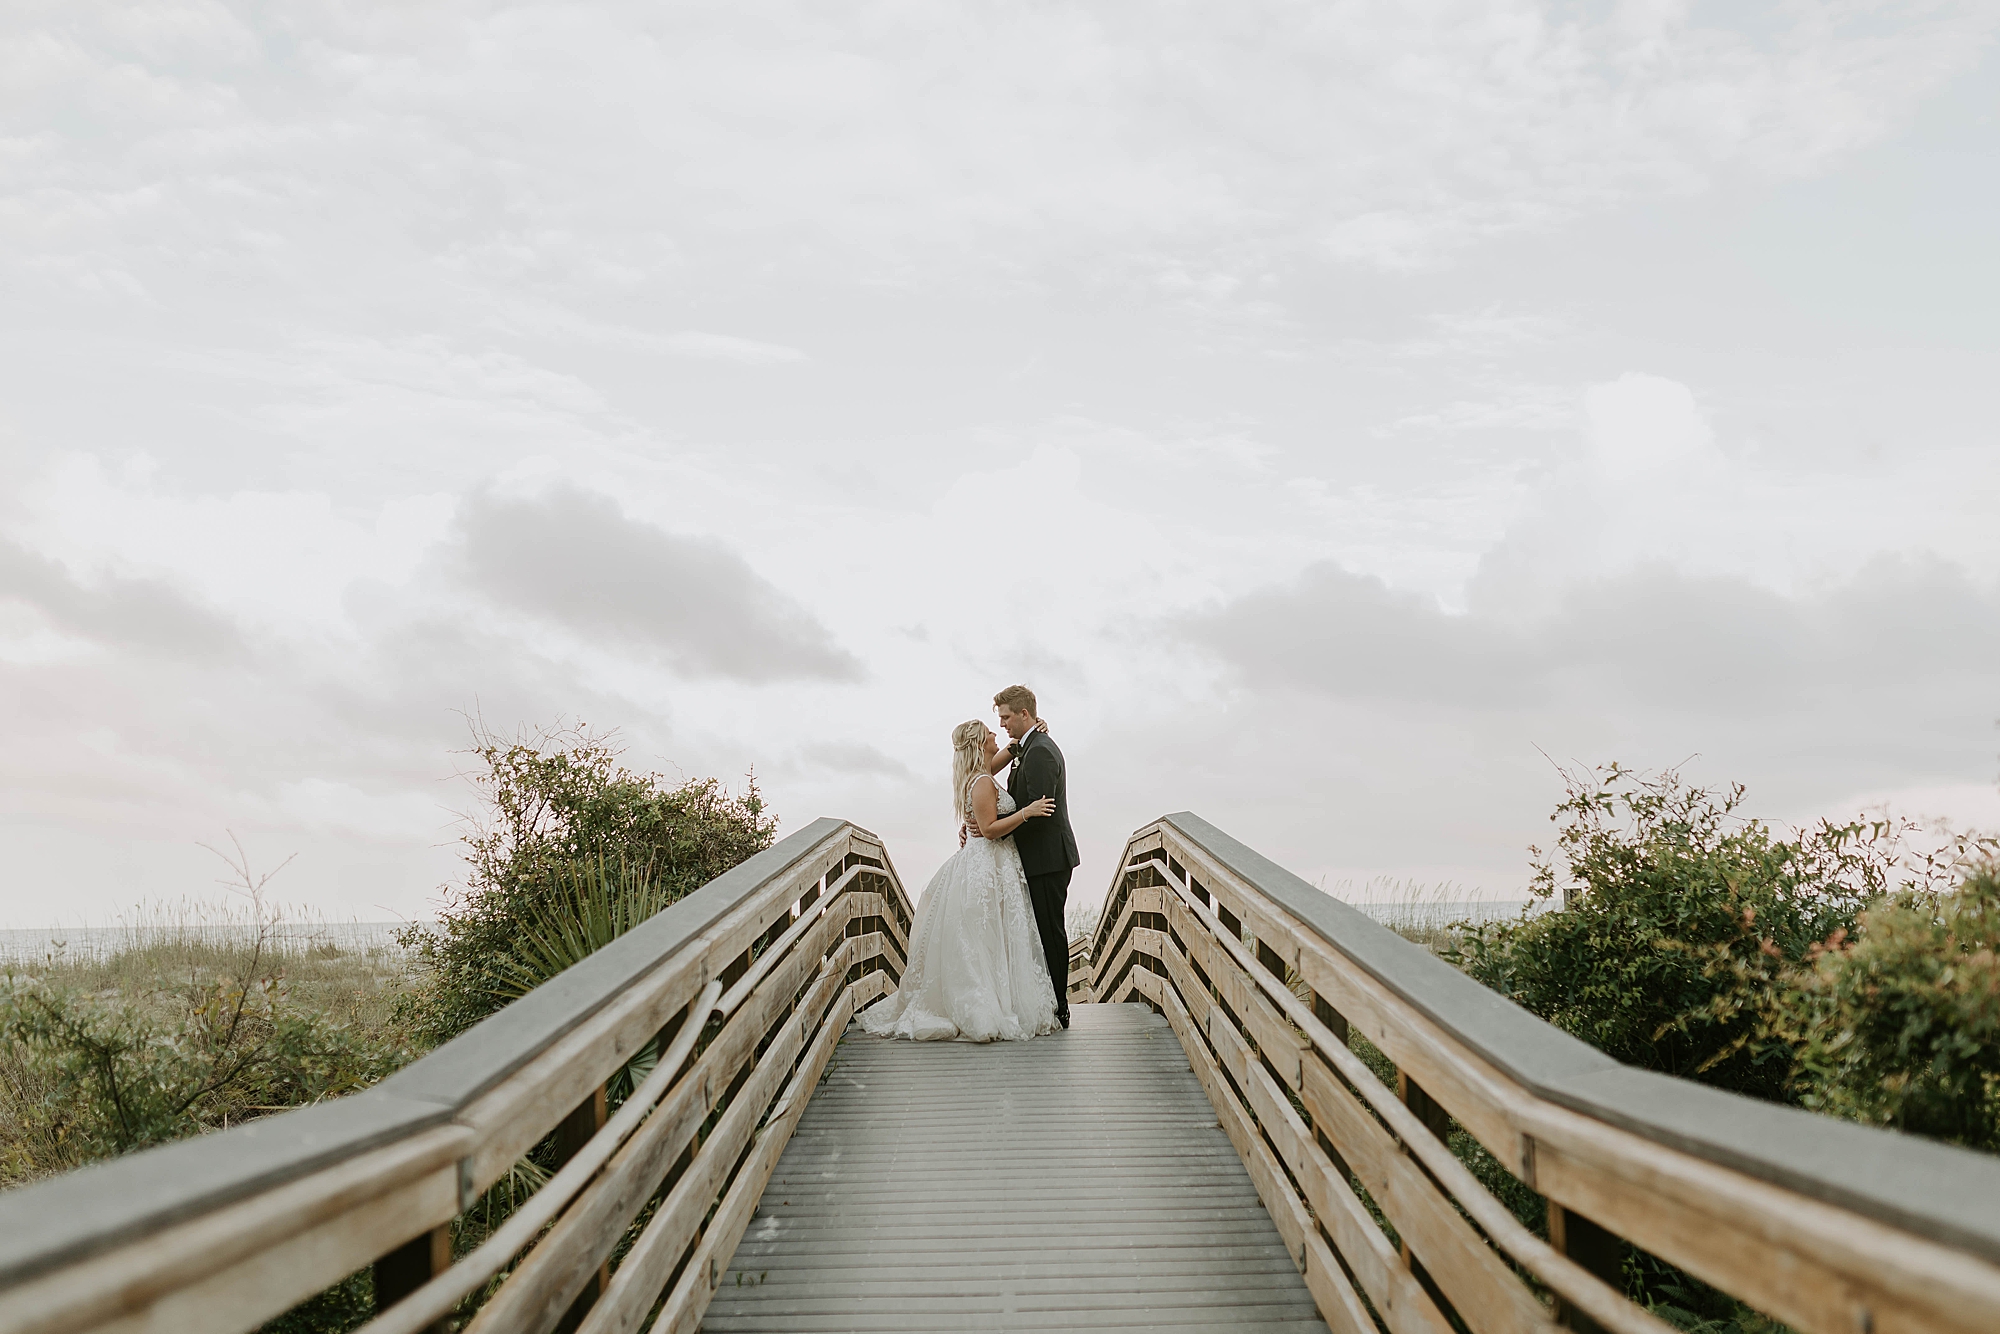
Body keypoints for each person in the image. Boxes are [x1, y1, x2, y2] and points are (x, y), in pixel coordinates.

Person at [859, 719, 1059, 1042]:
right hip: (987, 864)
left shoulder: (982, 771)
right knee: (983, 939)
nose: (997, 732)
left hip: (996, 865)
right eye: (990, 732)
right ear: (981, 742)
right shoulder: (981, 782)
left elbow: (1009, 751)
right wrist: (1027, 812)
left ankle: (999, 998)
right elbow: (991, 829)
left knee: (993, 938)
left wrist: (1030, 729)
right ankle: (983, 1007)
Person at [992, 684, 1079, 1029]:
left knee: (1050, 932)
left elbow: (1039, 810)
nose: (1002, 724)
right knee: (1042, 931)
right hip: (1040, 858)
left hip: (1047, 859)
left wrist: (994, 832)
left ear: (1024, 714)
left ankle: (1060, 1006)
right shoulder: (1027, 747)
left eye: (1006, 717)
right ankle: (1049, 1001)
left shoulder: (1040, 751)